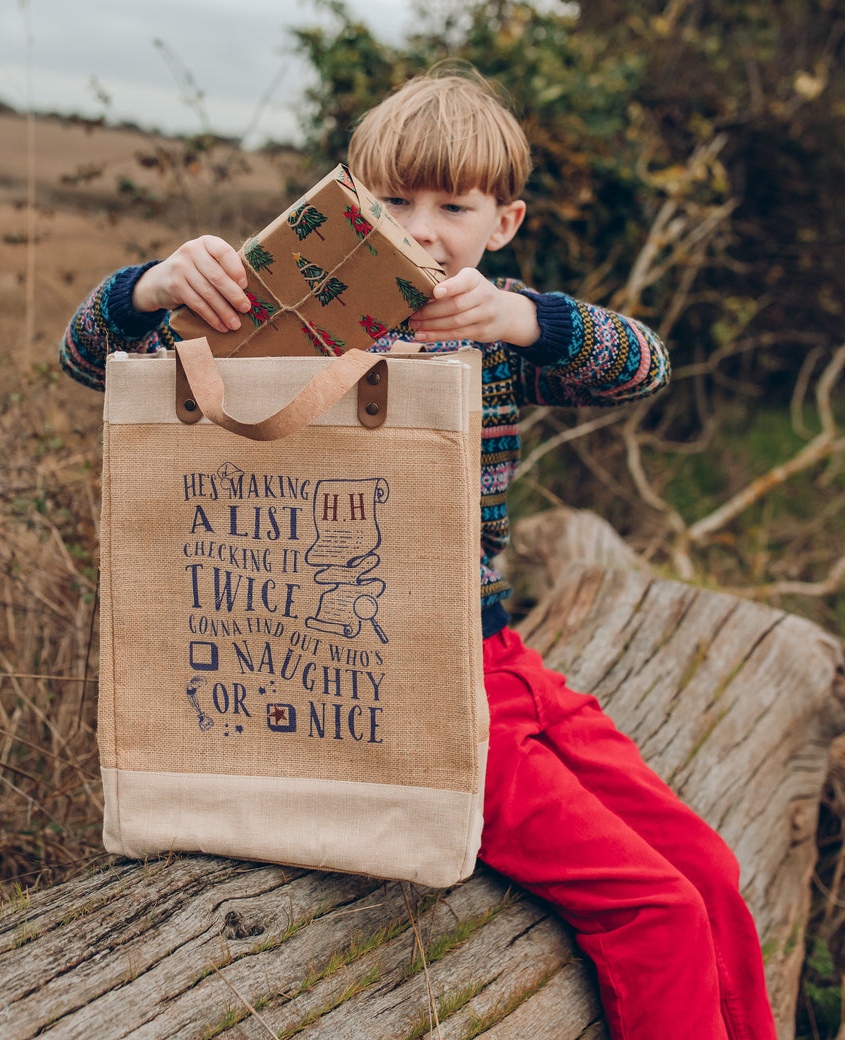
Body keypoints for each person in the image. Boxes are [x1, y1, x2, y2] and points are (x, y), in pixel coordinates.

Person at [59, 63, 776, 1040]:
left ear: (504, 222)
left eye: (454, 205)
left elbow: (643, 364)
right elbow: (93, 362)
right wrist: (149, 287)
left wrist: (531, 318)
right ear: (350, 204)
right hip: (390, 683)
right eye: (393, 200)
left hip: (499, 658)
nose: (424, 227)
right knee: (654, 909)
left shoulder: (491, 324)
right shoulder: (287, 316)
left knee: (711, 869)